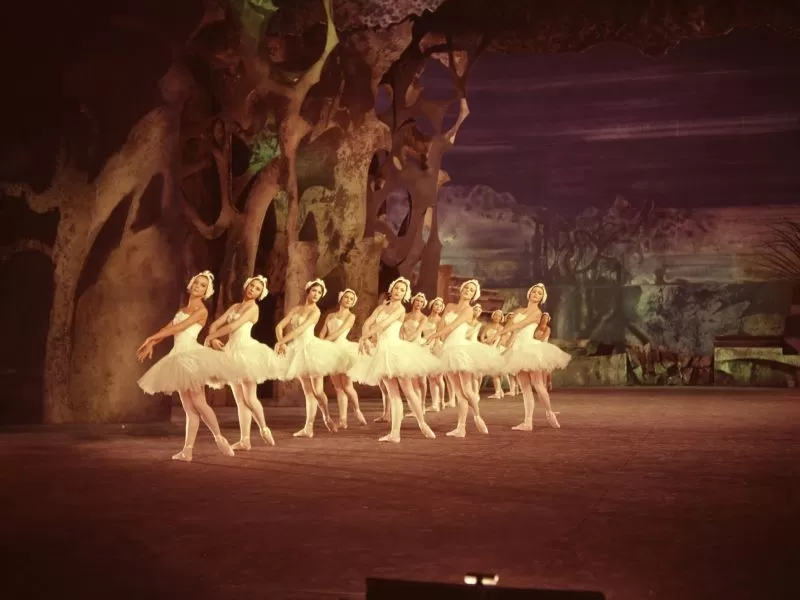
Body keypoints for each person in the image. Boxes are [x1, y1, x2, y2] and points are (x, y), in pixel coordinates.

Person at [137, 271, 239, 462]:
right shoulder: (182, 309)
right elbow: (168, 328)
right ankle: (187, 451)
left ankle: (219, 437)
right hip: (178, 357)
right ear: (191, 285)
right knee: (189, 409)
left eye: (202, 285)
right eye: (196, 283)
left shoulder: (201, 310)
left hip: (191, 356)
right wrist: (153, 342)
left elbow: (179, 328)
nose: (198, 286)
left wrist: (150, 338)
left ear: (206, 291)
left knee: (199, 402)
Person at [350, 277, 439, 443]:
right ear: (391, 290)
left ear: (405, 294)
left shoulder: (400, 309)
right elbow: (367, 323)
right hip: (382, 352)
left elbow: (382, 325)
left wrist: (365, 337)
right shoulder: (381, 307)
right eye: (396, 288)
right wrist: (365, 338)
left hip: (396, 351)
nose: (398, 291)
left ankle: (422, 423)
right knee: (393, 395)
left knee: (408, 391)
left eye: (402, 290)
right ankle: (395, 433)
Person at [204, 275, 278, 450]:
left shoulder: (253, 308)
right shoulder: (235, 306)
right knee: (240, 400)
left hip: (246, 351)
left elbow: (232, 326)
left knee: (250, 397)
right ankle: (245, 440)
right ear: (246, 286)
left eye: (258, 288)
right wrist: (213, 338)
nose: (253, 289)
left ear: (260, 294)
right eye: (252, 285)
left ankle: (264, 428)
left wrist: (209, 338)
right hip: (231, 351)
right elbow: (215, 324)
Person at [274, 279, 351, 438]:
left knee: (318, 391)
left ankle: (326, 415)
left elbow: (301, 329)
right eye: (314, 291)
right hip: (297, 350)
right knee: (308, 392)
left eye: (319, 292)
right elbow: (279, 326)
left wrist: (282, 342)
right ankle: (308, 428)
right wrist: (281, 342)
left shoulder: (316, 312)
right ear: (308, 291)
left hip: (312, 350)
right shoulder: (296, 309)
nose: (316, 294)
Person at [426, 279, 502, 438]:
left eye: (472, 290)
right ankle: (461, 428)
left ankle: (477, 416)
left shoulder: (469, 310)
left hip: (461, 349)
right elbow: (442, 326)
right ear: (461, 290)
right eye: (466, 288)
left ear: (474, 295)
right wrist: (437, 338)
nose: (468, 290)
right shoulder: (449, 306)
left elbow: (452, 326)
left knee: (467, 389)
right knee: (459, 393)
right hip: (449, 349)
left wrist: (437, 335)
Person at [500, 283, 571, 431]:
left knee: (538, 385)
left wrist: (498, 333)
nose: (536, 294)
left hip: (530, 349)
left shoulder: (537, 313)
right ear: (529, 293)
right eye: (534, 291)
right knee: (525, 388)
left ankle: (549, 413)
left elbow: (519, 326)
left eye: (539, 293)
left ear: (542, 298)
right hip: (518, 350)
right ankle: (528, 422)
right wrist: (507, 343)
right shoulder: (519, 311)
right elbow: (512, 330)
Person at [318, 288, 367, 429]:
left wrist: (324, 342)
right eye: (347, 297)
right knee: (338, 388)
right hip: (331, 350)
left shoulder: (351, 316)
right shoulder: (330, 316)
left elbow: (339, 332)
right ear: (341, 298)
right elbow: (322, 332)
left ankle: (357, 410)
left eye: (352, 299)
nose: (349, 300)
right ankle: (343, 420)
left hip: (344, 350)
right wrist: (320, 343)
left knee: (347, 386)